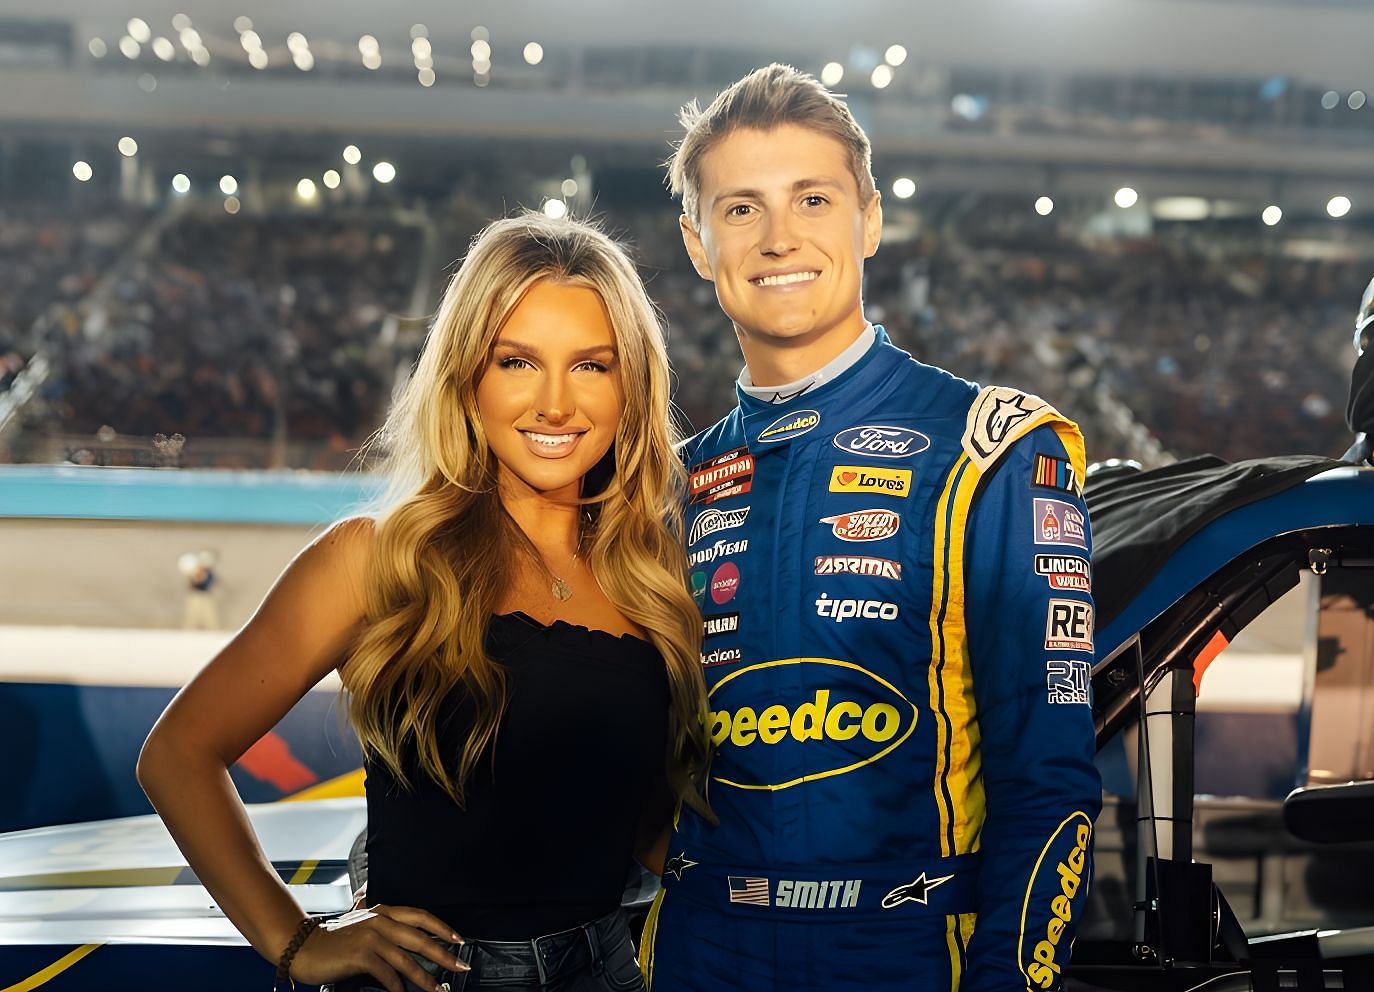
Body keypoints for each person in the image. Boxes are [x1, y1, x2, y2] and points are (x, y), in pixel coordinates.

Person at [138, 213, 712, 992]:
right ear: (468, 377)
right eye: (517, 361)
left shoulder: (654, 577)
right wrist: (296, 942)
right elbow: (177, 755)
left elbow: (639, 820)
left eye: (591, 366)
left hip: (609, 969)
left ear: (631, 386)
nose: (554, 402)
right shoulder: (375, 559)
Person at [638, 64, 1102, 991]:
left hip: (909, 952)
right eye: (740, 209)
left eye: (813, 198)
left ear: (871, 220)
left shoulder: (996, 450)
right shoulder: (666, 485)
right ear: (697, 242)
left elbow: (1050, 787)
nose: (779, 238)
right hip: (700, 952)